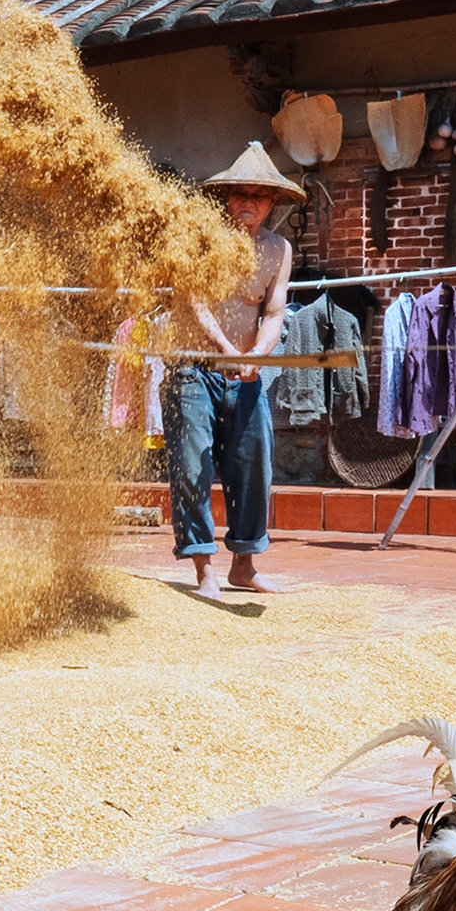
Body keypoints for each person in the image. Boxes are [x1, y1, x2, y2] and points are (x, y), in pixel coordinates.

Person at [165, 141, 302, 602]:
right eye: (240, 193)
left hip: (245, 375)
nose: (248, 202)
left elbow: (274, 312)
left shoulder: (278, 249)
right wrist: (225, 349)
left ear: (272, 202)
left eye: (258, 196)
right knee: (192, 466)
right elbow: (194, 300)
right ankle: (204, 569)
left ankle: (244, 566)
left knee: (254, 464)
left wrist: (258, 352)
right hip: (193, 368)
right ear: (226, 196)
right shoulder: (201, 238)